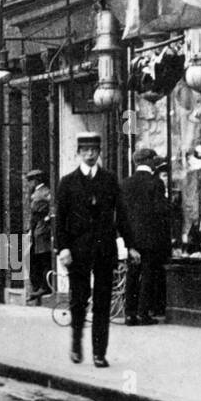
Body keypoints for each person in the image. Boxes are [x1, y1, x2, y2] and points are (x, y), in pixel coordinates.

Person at [54, 132, 129, 368]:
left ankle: (99, 353)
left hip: (104, 250)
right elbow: (61, 219)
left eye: (93, 151)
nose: (89, 154)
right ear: (78, 153)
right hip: (77, 251)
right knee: (78, 300)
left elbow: (122, 215)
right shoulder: (67, 182)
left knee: (103, 302)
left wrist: (129, 243)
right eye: (85, 151)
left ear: (99, 153)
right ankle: (76, 344)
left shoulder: (109, 180)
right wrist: (62, 247)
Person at [120, 148, 172, 326]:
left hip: (132, 240)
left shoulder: (125, 184)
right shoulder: (156, 183)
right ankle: (144, 313)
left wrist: (128, 242)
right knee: (148, 275)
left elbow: (120, 215)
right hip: (151, 239)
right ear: (149, 161)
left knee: (132, 275)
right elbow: (160, 210)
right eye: (154, 159)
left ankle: (129, 314)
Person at [25, 170, 52, 304]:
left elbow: (34, 216)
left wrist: (30, 230)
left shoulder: (39, 194)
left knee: (41, 259)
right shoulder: (44, 191)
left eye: (30, 181)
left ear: (36, 181)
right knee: (40, 259)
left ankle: (43, 287)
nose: (28, 184)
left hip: (41, 232)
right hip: (41, 231)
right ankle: (41, 286)